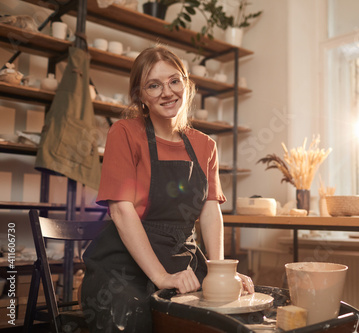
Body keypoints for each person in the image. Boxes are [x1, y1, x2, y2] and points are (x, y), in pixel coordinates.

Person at [80, 44, 254, 332]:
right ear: (139, 95)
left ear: (186, 84)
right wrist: (161, 277)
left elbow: (211, 210)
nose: (167, 92)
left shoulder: (205, 145)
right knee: (136, 314)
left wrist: (220, 271)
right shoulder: (124, 133)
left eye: (174, 81)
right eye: (154, 85)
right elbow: (122, 212)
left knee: (230, 312)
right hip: (123, 267)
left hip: (182, 258)